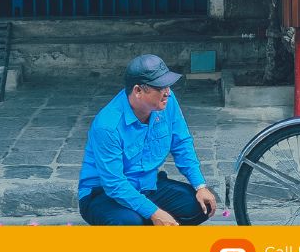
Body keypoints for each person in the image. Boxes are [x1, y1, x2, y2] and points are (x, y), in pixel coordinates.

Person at [77, 54, 217, 226]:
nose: (167, 92)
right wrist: (154, 212)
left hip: (148, 184)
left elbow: (181, 143)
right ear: (138, 91)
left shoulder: (167, 102)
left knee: (200, 206)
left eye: (167, 86)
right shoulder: (107, 126)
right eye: (160, 87)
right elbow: (114, 183)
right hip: (104, 193)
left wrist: (200, 185)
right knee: (130, 222)